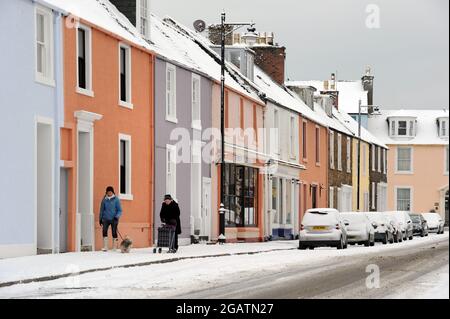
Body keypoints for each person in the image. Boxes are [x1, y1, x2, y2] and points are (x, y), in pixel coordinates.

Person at [99, 186, 122, 251]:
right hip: (105, 219)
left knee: (114, 232)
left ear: (112, 192)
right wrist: (100, 219)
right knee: (104, 231)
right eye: (108, 192)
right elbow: (101, 210)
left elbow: (120, 210)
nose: (109, 193)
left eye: (110, 192)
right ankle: (105, 247)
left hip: (114, 219)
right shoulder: (104, 199)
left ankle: (114, 247)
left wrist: (117, 217)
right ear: (106, 192)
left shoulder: (116, 199)